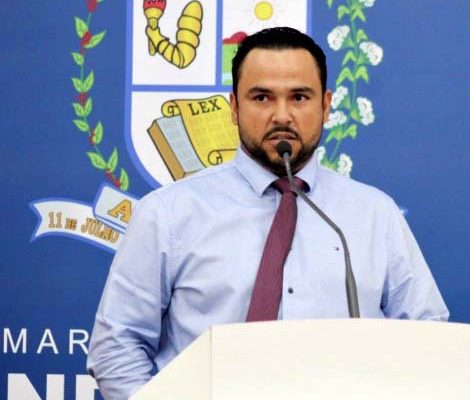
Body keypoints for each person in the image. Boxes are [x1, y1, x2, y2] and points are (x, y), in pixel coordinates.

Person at [87, 27, 448, 400]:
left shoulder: (375, 214)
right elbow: (117, 344)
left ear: (325, 106)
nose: (282, 115)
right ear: (234, 107)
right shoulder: (168, 214)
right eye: (261, 97)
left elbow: (428, 335)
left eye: (299, 97)